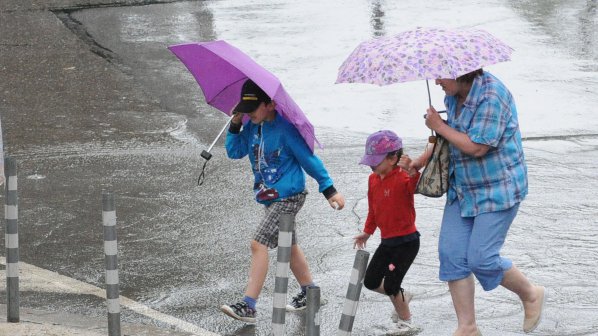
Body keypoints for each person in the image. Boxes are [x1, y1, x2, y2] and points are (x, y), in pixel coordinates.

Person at [418, 69, 546, 336]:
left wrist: (438, 126)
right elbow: (450, 137)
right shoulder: (454, 96)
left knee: (482, 259)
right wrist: (420, 160)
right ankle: (468, 327)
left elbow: (478, 147)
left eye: (440, 75)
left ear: (460, 70)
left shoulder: (492, 95)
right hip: (463, 187)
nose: (436, 81)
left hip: (498, 188)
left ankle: (531, 294)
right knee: (451, 255)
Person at [220, 79, 345, 324]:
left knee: (258, 243)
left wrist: (329, 190)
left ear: (270, 104)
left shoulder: (286, 129)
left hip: (289, 196)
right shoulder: (252, 128)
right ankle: (310, 292)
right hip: (269, 197)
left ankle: (248, 305)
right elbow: (234, 152)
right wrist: (235, 125)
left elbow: (309, 160)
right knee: (289, 246)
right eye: (244, 108)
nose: (249, 113)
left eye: (253, 108)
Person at [353, 130, 423, 335]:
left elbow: (416, 186)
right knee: (371, 281)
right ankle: (402, 295)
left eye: (375, 160)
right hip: (387, 242)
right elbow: (373, 209)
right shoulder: (373, 180)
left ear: (393, 158)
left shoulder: (403, 178)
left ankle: (407, 321)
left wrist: (412, 171)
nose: (371, 165)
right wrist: (367, 232)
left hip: (407, 242)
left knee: (392, 285)